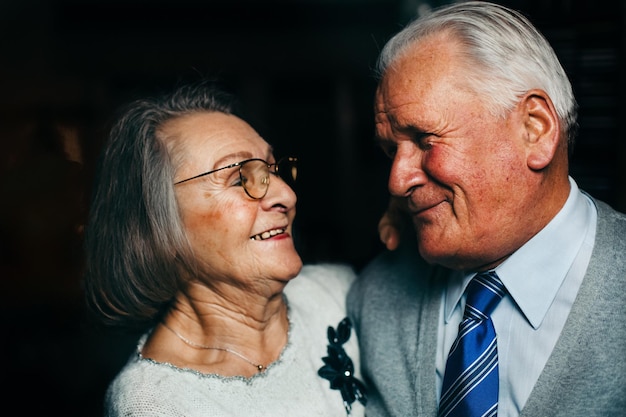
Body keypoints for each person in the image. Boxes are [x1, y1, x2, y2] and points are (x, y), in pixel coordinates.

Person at [347, 2, 626, 417]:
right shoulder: (377, 296)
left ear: (535, 129)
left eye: (425, 139)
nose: (396, 180)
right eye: (391, 150)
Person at [83, 80, 366, 416]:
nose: (287, 196)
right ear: (158, 229)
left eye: (272, 169)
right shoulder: (153, 403)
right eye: (238, 178)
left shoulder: (337, 292)